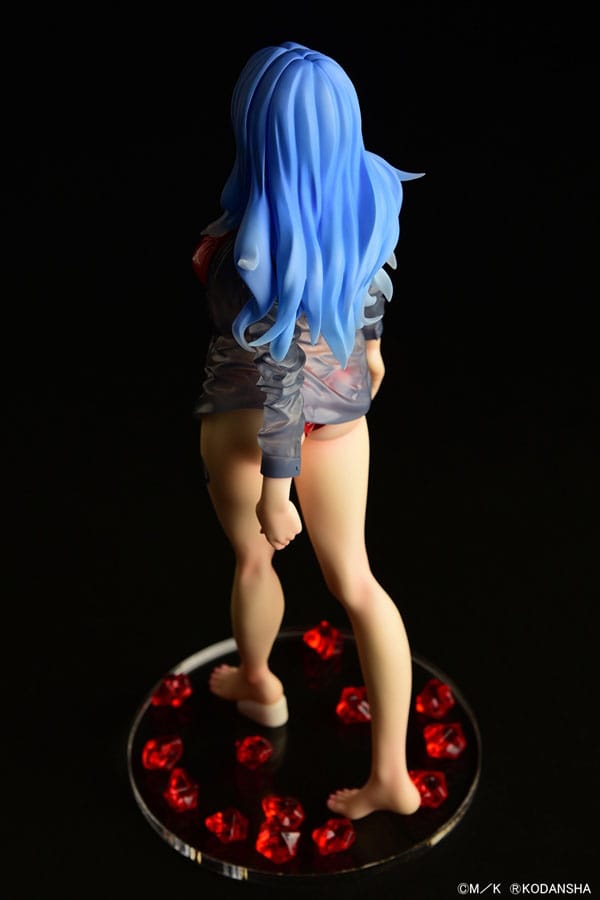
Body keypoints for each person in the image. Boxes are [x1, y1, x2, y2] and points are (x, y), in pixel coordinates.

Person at [192, 41, 423, 819]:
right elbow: (373, 280)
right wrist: (371, 352)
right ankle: (392, 774)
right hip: (344, 417)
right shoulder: (371, 190)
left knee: (255, 558)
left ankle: (261, 685)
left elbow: (280, 373)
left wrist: (276, 487)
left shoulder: (246, 250)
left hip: (250, 424)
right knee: (357, 582)